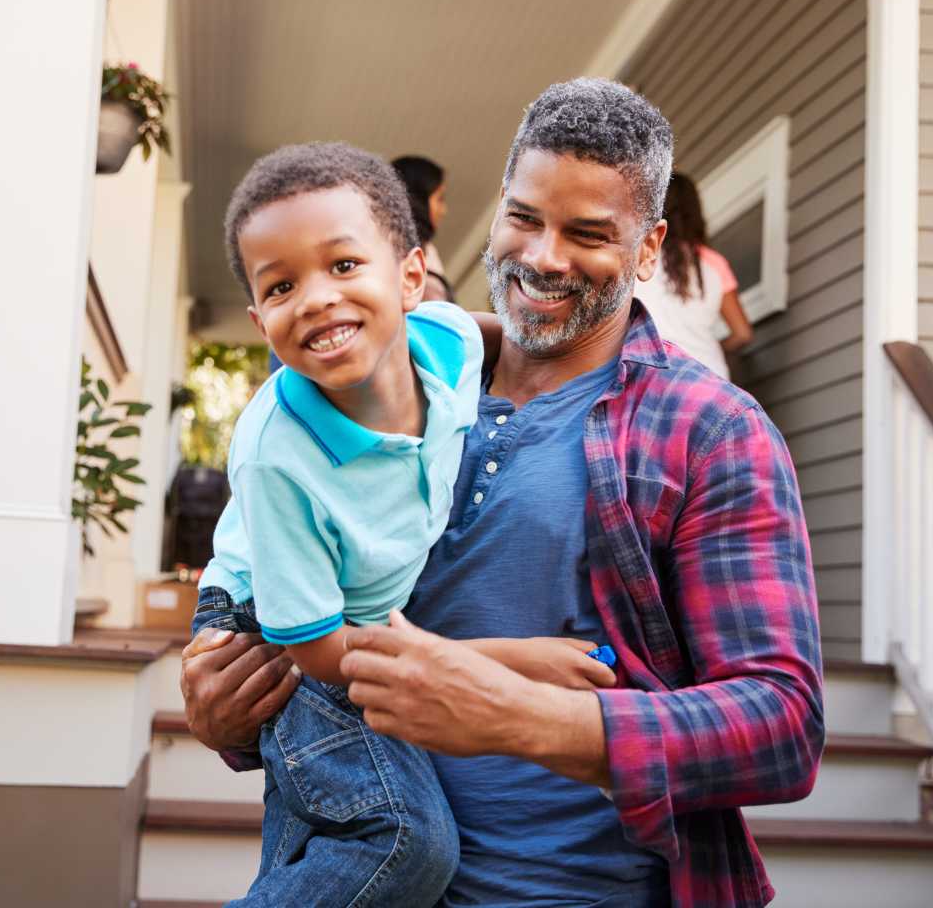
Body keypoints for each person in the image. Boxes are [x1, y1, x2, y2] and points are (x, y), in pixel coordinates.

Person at [183, 79, 824, 907]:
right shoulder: (358, 395)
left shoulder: (710, 431)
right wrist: (226, 710)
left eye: (589, 234)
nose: (544, 257)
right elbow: (293, 626)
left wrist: (520, 715)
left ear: (649, 248)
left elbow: (781, 728)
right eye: (524, 217)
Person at [195, 141, 618, 906]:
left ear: (413, 277)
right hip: (284, 624)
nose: (318, 297)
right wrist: (511, 662)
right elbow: (316, 652)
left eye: (344, 265)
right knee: (401, 840)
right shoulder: (279, 459)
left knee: (324, 845)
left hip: (354, 620)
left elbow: (510, 345)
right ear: (261, 320)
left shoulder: (449, 341)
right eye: (284, 285)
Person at [632, 172, 753, 379]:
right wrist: (710, 350)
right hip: (709, 377)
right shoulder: (713, 262)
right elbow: (743, 334)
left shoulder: (639, 252)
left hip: (650, 376)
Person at [393, 154, 454, 302]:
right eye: (439, 199)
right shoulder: (397, 254)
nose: (443, 210)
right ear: (418, 199)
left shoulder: (429, 251)